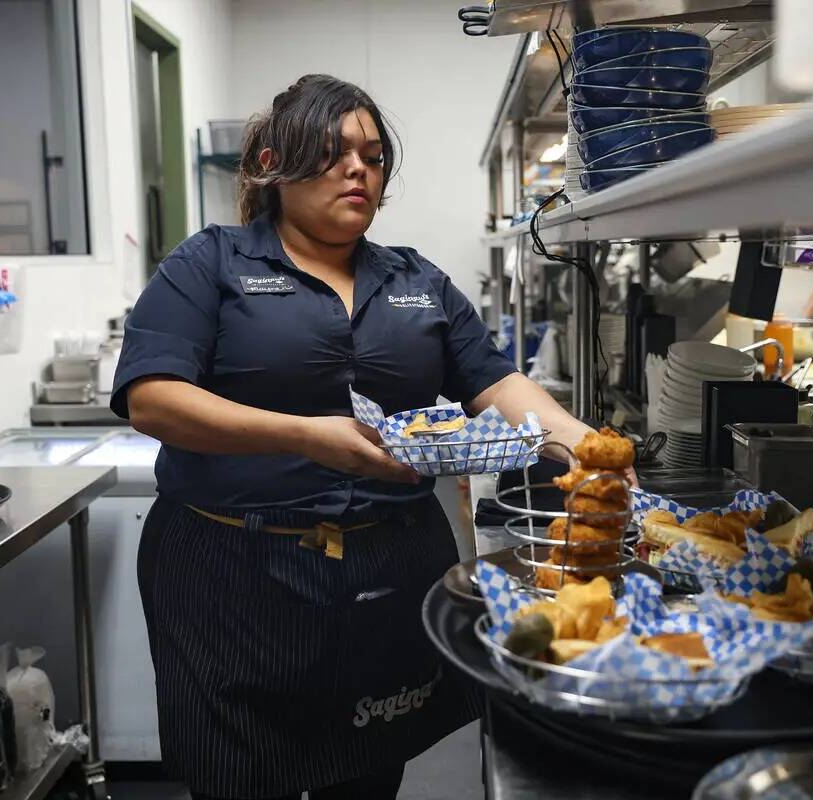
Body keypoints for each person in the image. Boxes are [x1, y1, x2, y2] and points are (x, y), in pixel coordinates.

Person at [110, 74, 604, 800]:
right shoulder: (210, 264)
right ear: (275, 162)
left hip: (386, 568)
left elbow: (495, 381)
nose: (358, 170)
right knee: (239, 781)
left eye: (373, 157)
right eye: (335, 151)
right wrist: (305, 436)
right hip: (230, 575)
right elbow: (151, 398)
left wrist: (580, 442)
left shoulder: (417, 281)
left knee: (368, 777)